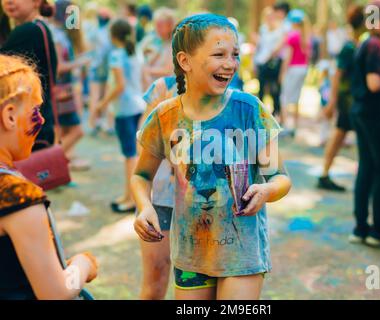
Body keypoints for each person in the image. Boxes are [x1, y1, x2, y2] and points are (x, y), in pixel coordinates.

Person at [132, 14, 291, 300]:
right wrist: (145, 206)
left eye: (235, 55)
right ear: (185, 61)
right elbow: (141, 175)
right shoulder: (166, 116)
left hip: (242, 255)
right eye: (219, 54)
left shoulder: (249, 110)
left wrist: (266, 190)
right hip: (191, 255)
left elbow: (281, 178)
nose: (230, 64)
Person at [0, 54, 98, 300]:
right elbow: (56, 292)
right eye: (35, 110)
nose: (41, 120)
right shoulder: (16, 195)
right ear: (10, 116)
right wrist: (82, 265)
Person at [349, 1, 380, 246]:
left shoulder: (364, 43)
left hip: (361, 112)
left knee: (367, 168)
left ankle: (360, 227)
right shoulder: (375, 46)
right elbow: (374, 84)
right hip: (373, 115)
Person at [95, 19, 145, 214]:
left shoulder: (116, 55)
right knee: (133, 154)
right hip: (137, 105)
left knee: (129, 156)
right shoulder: (135, 52)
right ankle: (129, 196)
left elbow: (120, 85)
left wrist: (102, 103)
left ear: (112, 35)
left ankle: (131, 198)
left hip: (124, 109)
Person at [318, 4, 366, 192]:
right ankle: (324, 173)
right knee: (339, 135)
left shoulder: (359, 45)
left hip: (353, 100)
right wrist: (332, 102)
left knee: (342, 136)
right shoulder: (349, 47)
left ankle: (326, 173)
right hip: (348, 101)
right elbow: (337, 74)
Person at [0, 0, 57, 150]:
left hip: (26, 133)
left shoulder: (28, 31)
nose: (9, 1)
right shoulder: (40, 28)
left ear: (36, 2)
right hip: (39, 126)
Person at [139, 76, 177, 300]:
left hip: (207, 205)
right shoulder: (163, 88)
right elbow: (142, 146)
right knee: (155, 283)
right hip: (161, 199)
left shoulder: (229, 93)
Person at [50, 0, 90, 171]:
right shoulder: (58, 35)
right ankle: (48, 165)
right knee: (77, 131)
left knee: (62, 133)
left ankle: (58, 172)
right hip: (61, 90)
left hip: (63, 90)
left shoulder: (60, 33)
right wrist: (80, 63)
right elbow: (58, 67)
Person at [279, 9, 309, 131]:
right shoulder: (306, 36)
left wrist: (282, 72)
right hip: (303, 68)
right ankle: (295, 127)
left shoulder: (292, 36)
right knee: (296, 98)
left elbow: (288, 57)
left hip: (293, 69)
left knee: (284, 98)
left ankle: (286, 126)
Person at [253, 6, 284, 117]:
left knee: (274, 90)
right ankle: (260, 112)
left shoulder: (279, 30)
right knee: (261, 88)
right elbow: (259, 47)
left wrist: (270, 56)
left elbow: (279, 47)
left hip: (273, 63)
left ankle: (275, 113)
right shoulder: (263, 29)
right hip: (262, 62)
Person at [87, 7, 112, 135]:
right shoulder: (109, 33)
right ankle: (107, 124)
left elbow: (89, 50)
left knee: (95, 97)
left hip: (95, 68)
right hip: (107, 69)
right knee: (106, 96)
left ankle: (92, 124)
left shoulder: (94, 32)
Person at [139, 7, 176, 90]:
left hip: (165, 89)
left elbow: (168, 70)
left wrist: (147, 70)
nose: (157, 29)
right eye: (156, 25)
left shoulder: (174, 44)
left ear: (170, 26)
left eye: (160, 26)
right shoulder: (154, 40)